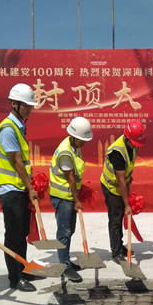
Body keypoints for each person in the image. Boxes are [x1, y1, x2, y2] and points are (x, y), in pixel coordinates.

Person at [0, 83, 39, 292]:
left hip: (18, 189)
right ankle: (15, 277)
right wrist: (30, 188)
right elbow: (17, 162)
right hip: (11, 190)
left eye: (30, 106)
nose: (29, 109)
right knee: (13, 235)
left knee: (21, 233)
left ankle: (22, 267)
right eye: (26, 105)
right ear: (14, 104)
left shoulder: (18, 127)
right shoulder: (8, 129)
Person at [48, 117, 92, 283]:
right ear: (74, 136)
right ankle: (64, 266)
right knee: (64, 232)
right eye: (82, 140)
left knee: (69, 230)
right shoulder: (66, 152)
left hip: (68, 195)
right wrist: (77, 200)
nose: (84, 143)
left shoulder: (74, 147)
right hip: (63, 196)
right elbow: (71, 178)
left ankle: (66, 260)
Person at [100, 120, 146, 263]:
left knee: (119, 217)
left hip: (122, 184)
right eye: (133, 143)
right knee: (116, 219)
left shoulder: (133, 145)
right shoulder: (117, 152)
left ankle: (120, 246)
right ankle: (116, 252)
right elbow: (120, 181)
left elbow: (128, 166)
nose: (135, 146)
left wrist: (128, 176)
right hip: (111, 187)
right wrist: (127, 205)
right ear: (126, 137)